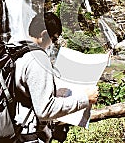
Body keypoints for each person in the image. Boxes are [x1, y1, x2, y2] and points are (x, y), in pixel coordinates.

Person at [14, 12, 99, 142]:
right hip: (27, 136)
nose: (52, 44)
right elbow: (44, 110)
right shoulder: (38, 59)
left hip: (13, 130)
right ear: (43, 35)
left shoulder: (15, 50)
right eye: (53, 39)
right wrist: (84, 99)